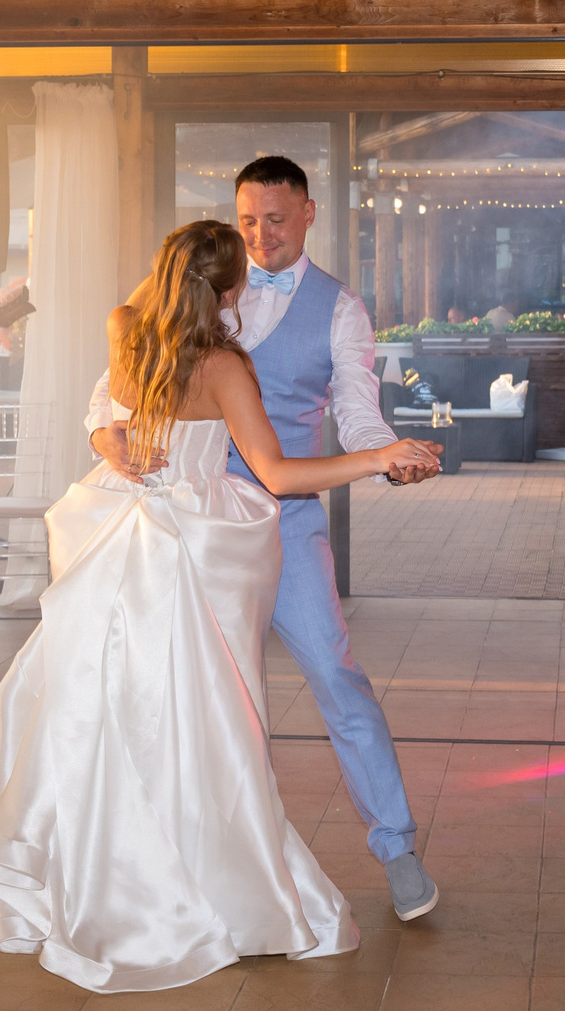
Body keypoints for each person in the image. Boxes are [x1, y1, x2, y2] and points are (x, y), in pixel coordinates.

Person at [0, 219, 434, 990]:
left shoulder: (125, 329)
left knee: (103, 711)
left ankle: (94, 873)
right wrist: (377, 457)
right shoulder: (224, 365)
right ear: (230, 286)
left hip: (115, 530)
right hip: (191, 545)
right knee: (199, 721)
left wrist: (112, 440)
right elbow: (273, 473)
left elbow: (111, 408)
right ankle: (200, 888)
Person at [84, 156, 447, 922]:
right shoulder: (198, 287)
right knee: (186, 696)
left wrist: (389, 459)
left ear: (309, 214)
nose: (259, 236)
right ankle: (172, 867)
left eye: (275, 221)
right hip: (189, 528)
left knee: (336, 673)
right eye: (247, 220)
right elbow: (110, 392)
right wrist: (107, 439)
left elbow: (357, 412)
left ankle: (398, 847)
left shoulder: (341, 309)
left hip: (286, 524)